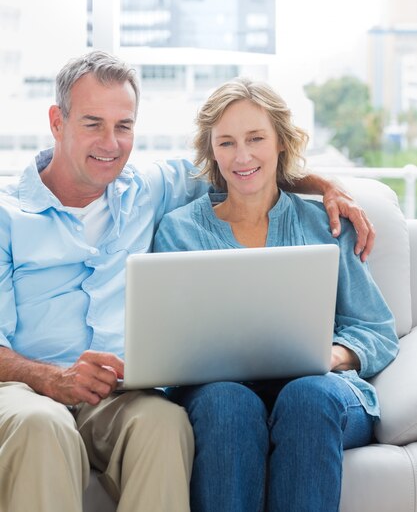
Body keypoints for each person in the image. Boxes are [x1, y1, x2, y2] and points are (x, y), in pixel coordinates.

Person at [0, 52, 374, 512]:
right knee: (42, 426)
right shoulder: (7, 215)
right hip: (31, 392)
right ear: (57, 121)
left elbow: (249, 172)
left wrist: (327, 185)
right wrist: (52, 378)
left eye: (124, 126)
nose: (111, 143)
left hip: (120, 393)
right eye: (93, 123)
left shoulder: (147, 188)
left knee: (166, 426)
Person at [153, 77, 400, 512]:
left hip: (323, 392)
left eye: (256, 139)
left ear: (281, 143)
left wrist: (333, 356)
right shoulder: (179, 231)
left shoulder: (326, 224)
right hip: (220, 395)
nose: (242, 156)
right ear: (211, 149)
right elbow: (167, 349)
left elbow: (376, 329)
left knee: (308, 395)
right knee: (228, 403)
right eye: (226, 143)